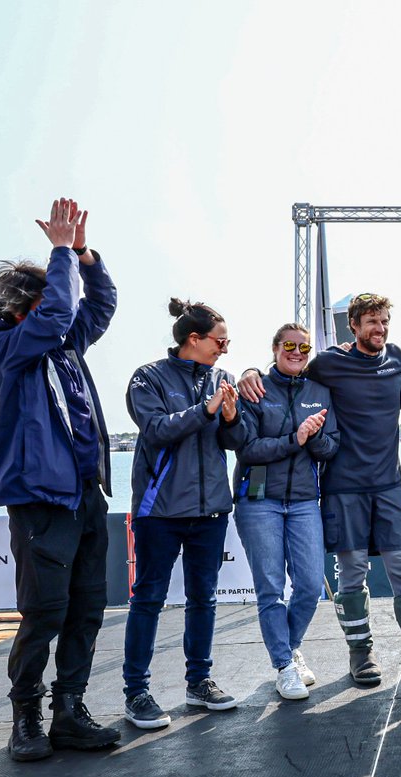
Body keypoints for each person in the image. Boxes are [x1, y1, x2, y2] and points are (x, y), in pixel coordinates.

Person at [238, 294, 401, 687]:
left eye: (384, 321)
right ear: (354, 327)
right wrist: (248, 371)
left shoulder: (398, 359)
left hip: (390, 486)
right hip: (343, 488)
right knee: (352, 574)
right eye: (372, 321)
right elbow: (287, 374)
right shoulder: (328, 363)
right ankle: (360, 654)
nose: (379, 328)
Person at [0, 199, 120, 761]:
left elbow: (99, 305)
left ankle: (69, 711)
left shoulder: (63, 342)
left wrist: (83, 254)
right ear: (19, 313)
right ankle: (25, 718)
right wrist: (59, 250)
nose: (55, 311)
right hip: (40, 500)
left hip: (85, 494)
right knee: (44, 613)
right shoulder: (4, 348)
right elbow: (60, 311)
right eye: (42, 304)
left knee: (87, 607)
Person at [123, 298, 248, 729]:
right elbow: (157, 430)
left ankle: (200, 682)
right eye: (220, 340)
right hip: (159, 510)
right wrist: (208, 409)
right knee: (148, 600)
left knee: (204, 599)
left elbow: (235, 441)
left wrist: (231, 418)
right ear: (193, 339)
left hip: (210, 510)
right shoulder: (148, 377)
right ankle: (136, 692)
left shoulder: (222, 377)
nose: (225, 349)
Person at [233, 324, 338, 700]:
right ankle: (283, 666)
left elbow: (330, 448)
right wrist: (296, 439)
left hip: (306, 501)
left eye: (304, 346)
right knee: (271, 590)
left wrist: (315, 436)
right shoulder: (256, 387)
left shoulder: (319, 391)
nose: (297, 352)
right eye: (289, 345)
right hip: (259, 499)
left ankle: (291, 649)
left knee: (311, 586)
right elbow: (247, 449)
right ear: (275, 348)